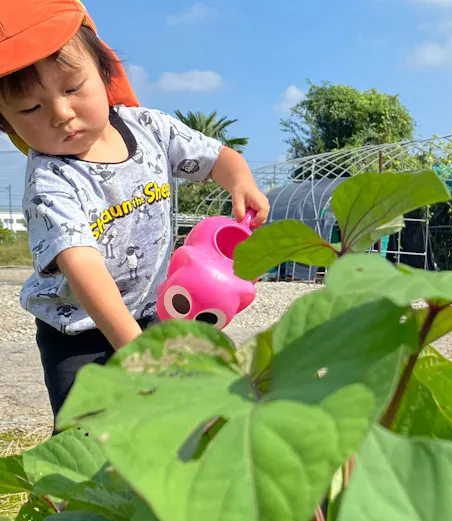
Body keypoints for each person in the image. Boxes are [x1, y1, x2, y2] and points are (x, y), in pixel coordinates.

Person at [0, 0, 270, 426]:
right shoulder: (50, 180)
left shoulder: (149, 127)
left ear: (105, 72)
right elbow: (81, 266)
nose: (60, 114)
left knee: (173, 421)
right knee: (91, 439)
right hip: (80, 334)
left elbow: (216, 156)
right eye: (31, 109)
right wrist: (134, 350)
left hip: (154, 310)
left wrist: (240, 181)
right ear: (6, 123)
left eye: (72, 88)